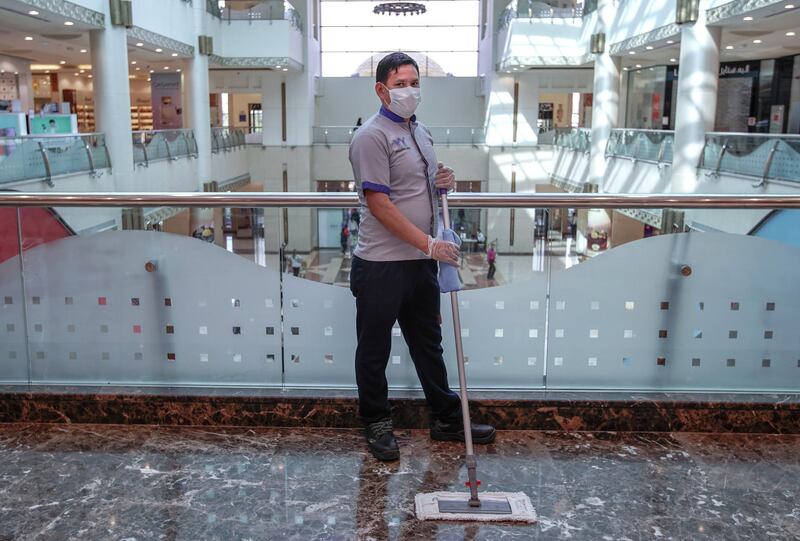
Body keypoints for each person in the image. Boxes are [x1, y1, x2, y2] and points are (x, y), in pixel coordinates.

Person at [348, 52, 495, 462]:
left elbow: (418, 188)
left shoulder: (422, 132)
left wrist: (440, 180)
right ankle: (376, 422)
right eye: (400, 84)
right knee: (374, 348)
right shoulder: (370, 137)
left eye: (414, 83)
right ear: (381, 90)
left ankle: (445, 417)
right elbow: (379, 203)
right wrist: (428, 244)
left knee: (429, 345)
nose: (410, 90)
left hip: (419, 265)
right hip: (381, 265)